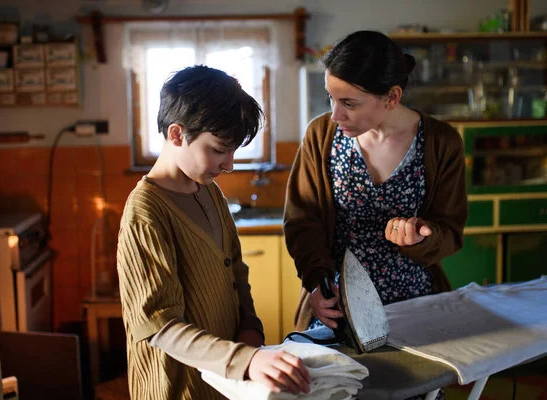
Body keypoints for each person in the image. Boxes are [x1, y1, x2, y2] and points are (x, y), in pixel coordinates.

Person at [117, 65, 311, 400]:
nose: (229, 164)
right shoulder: (145, 214)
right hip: (178, 388)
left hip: (223, 381)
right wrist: (245, 359)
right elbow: (159, 325)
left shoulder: (208, 191)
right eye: (219, 149)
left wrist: (249, 328)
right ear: (177, 134)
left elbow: (235, 270)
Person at [284, 30, 468, 334]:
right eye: (331, 98)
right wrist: (317, 282)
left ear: (392, 97)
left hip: (414, 307)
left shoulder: (441, 143)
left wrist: (423, 237)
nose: (335, 115)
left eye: (349, 103)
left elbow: (450, 230)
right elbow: (303, 221)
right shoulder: (321, 136)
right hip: (338, 309)